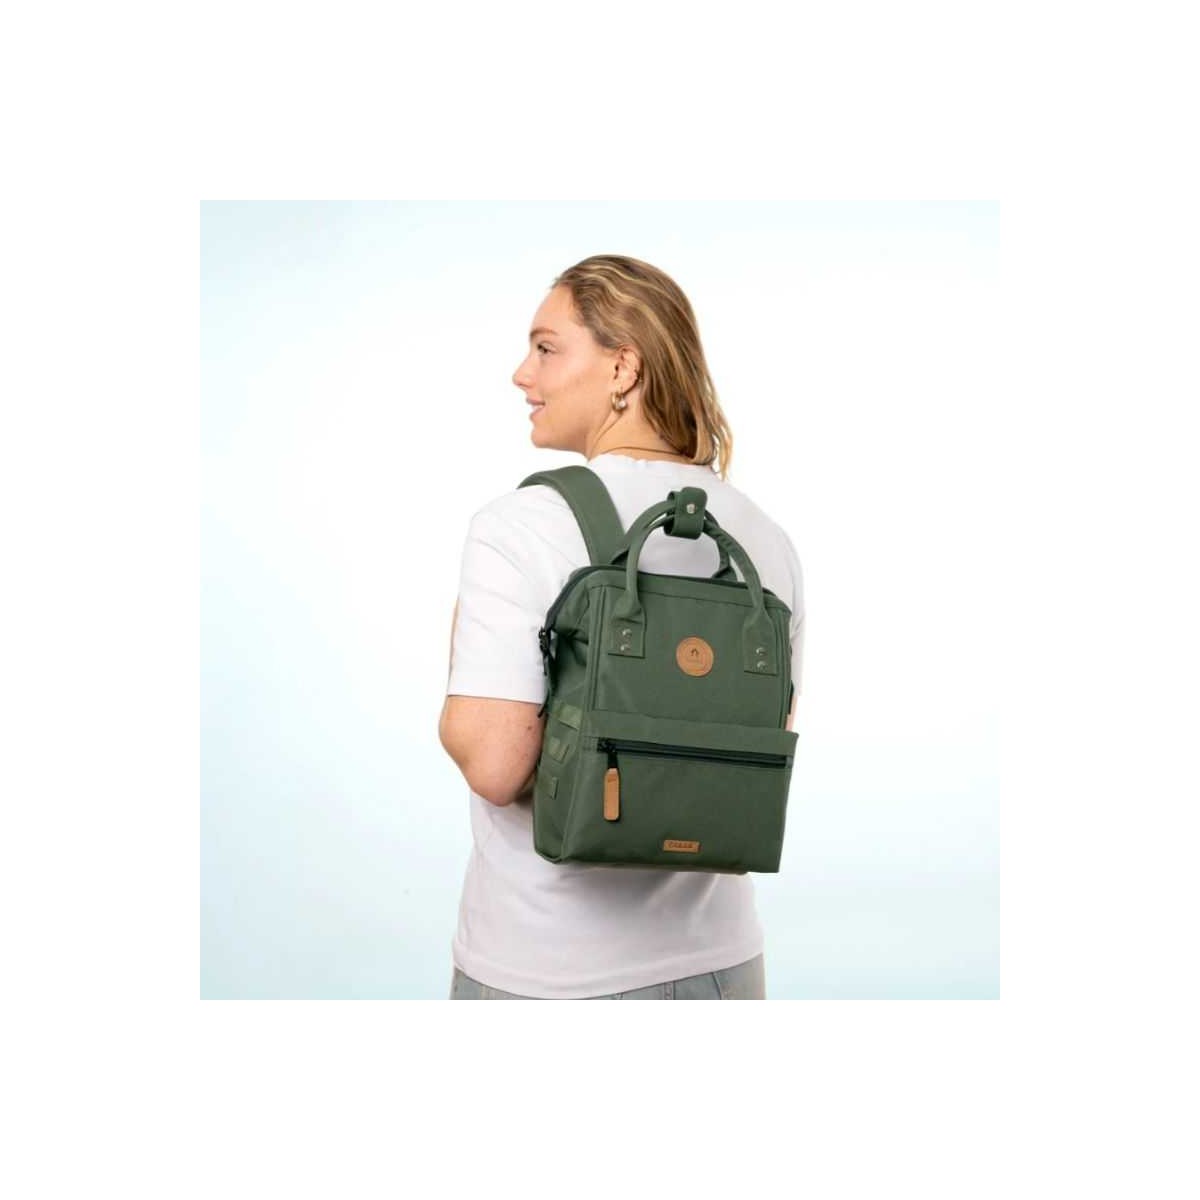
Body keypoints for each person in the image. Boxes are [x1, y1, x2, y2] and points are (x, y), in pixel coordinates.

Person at [438, 254, 804, 1000]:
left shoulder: (522, 525)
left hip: (549, 971)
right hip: (723, 965)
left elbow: (495, 764)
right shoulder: (763, 538)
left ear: (623, 368)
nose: (522, 374)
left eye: (546, 348)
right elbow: (757, 745)